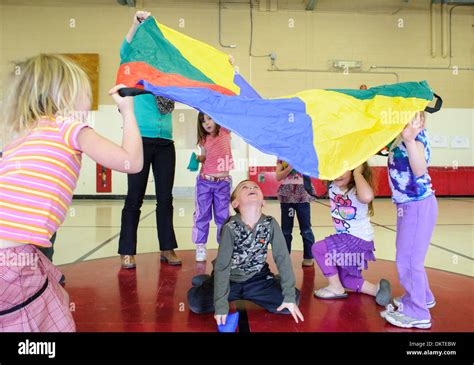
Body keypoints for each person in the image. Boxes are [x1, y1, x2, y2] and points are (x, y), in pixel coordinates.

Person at [0, 54, 142, 331]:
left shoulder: (20, 134)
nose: (90, 101)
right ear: (65, 96)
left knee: (54, 298)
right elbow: (132, 162)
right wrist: (127, 111)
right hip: (11, 260)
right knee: (50, 321)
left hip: (16, 253)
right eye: (86, 93)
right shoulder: (69, 128)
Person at [187, 180, 304, 325]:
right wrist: (221, 305)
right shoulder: (230, 227)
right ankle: (206, 282)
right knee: (197, 304)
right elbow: (223, 267)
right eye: (245, 187)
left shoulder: (270, 223)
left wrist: (289, 296)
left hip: (258, 279)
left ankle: (275, 281)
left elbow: (282, 258)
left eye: (255, 187)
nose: (251, 187)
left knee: (289, 303)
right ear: (235, 203)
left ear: (263, 202)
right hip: (229, 278)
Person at [118, 11, 181, 268]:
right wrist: (134, 24)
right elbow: (126, 50)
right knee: (135, 197)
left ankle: (167, 248)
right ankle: (127, 251)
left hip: (165, 141)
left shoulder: (167, 76)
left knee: (165, 197)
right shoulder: (135, 71)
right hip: (139, 141)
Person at [381, 111, 437, 329]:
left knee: (408, 259)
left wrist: (410, 139)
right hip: (407, 206)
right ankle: (424, 296)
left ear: (419, 120)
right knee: (407, 253)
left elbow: (420, 169)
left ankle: (418, 312)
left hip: (417, 205)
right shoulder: (400, 138)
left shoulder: (416, 138)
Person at [311, 163, 392, 306]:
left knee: (318, 249)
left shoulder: (356, 191)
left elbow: (367, 197)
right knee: (345, 278)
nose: (338, 174)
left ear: (355, 170)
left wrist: (358, 174)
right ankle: (376, 289)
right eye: (335, 169)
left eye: (343, 170)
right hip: (351, 240)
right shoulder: (333, 187)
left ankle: (336, 288)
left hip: (355, 239)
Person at [192, 113, 233, 262]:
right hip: (205, 181)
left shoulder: (225, 131)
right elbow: (204, 156)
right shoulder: (203, 139)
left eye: (209, 119)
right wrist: (198, 158)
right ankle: (200, 245)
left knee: (223, 217)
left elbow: (226, 112)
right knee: (202, 214)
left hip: (223, 183)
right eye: (203, 122)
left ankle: (223, 245)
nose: (207, 123)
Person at [275, 160, 315, 267]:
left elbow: (313, 170)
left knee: (306, 229)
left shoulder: (305, 157)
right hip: (287, 198)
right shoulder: (282, 158)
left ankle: (308, 256)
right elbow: (278, 176)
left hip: (303, 196)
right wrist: (289, 168)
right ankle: (285, 256)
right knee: (286, 230)